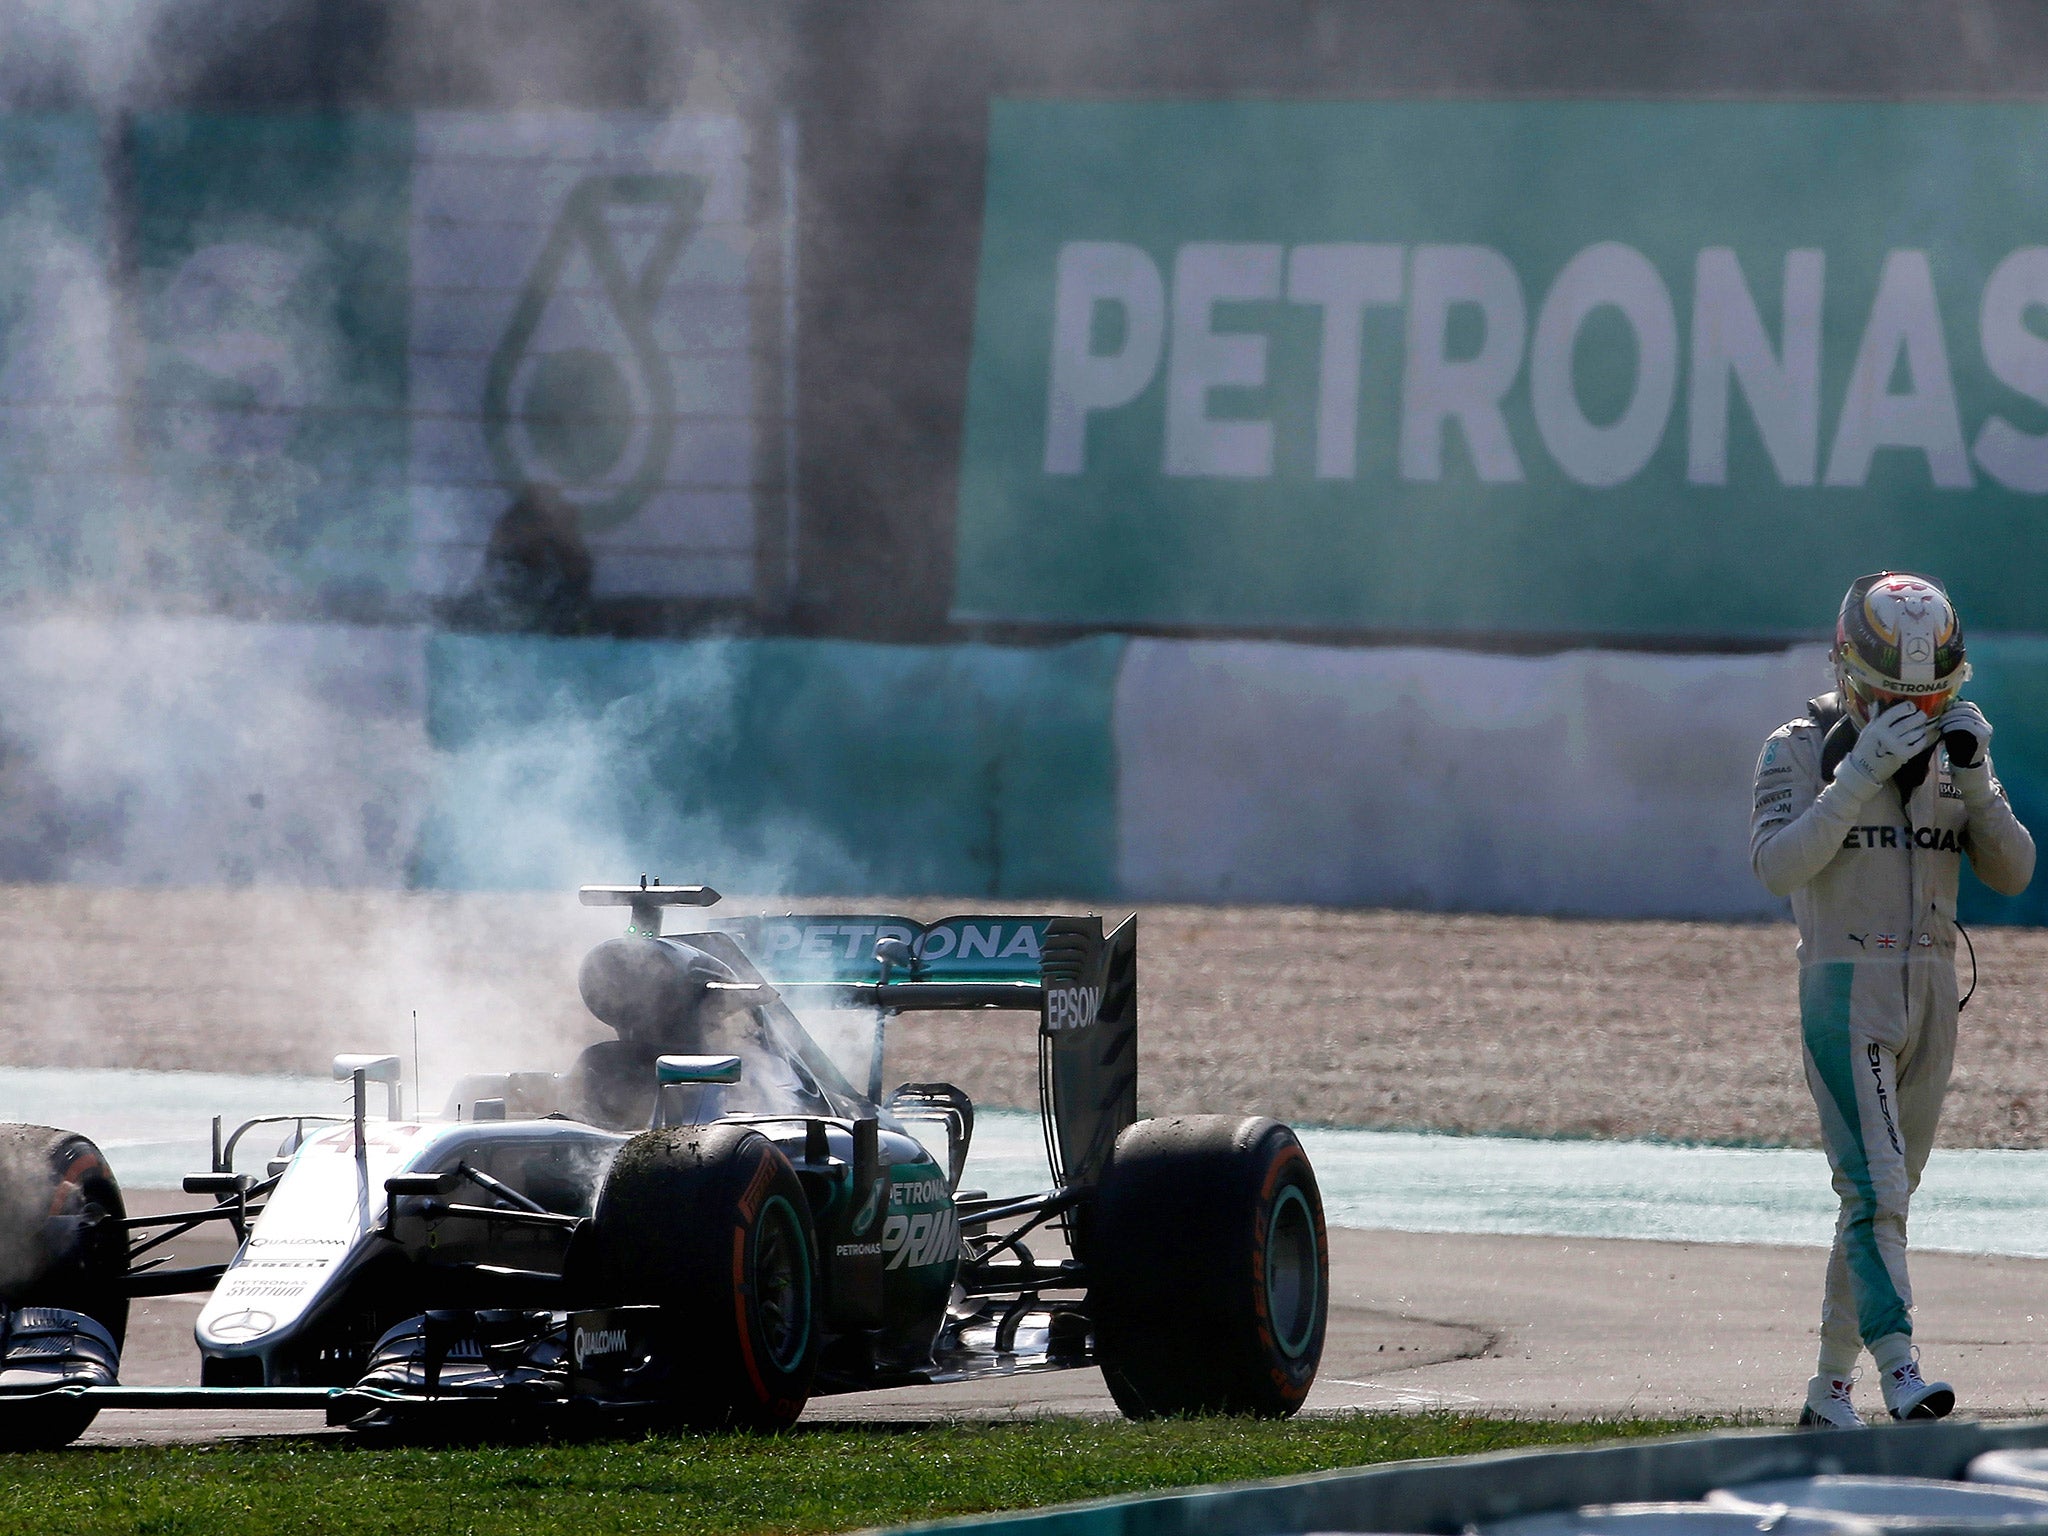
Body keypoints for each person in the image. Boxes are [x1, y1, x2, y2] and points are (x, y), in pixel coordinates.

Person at [1751, 572, 2034, 1428]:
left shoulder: (1958, 751)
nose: (1912, 714)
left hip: (1935, 991)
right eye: (1892, 698)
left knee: (1885, 1200)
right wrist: (1858, 772)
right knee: (1876, 1192)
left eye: (1932, 696)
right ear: (1848, 672)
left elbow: (2013, 872)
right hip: (1844, 984)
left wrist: (1978, 783)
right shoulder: (1796, 746)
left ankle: (1828, 1391)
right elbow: (1775, 867)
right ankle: (1900, 1366)